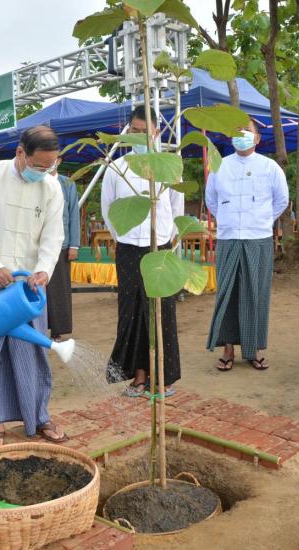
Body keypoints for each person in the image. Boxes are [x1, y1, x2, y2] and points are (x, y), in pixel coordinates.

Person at [0, 125, 66, 448]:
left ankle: (38, 415)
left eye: (49, 167)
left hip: (30, 287)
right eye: (38, 166)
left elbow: (54, 235)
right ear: (20, 153)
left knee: (33, 351)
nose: (43, 172)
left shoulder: (52, 188)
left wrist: (44, 270)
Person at [101, 105, 184, 397]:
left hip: (159, 247)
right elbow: (109, 210)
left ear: (156, 132)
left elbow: (176, 208)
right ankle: (138, 376)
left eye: (143, 131)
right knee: (131, 311)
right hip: (128, 249)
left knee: (162, 311)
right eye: (133, 131)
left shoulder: (169, 166)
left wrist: (167, 239)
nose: (138, 136)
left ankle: (163, 378)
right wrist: (123, 237)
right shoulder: (117, 168)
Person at [205, 118, 289, 372]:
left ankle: (254, 350)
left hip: (258, 239)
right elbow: (211, 200)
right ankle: (228, 349)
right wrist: (228, 220)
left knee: (256, 293)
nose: (241, 134)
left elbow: (281, 200)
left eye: (247, 131)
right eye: (237, 130)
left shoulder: (270, 167)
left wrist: (261, 220)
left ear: (257, 138)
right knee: (227, 293)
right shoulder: (219, 166)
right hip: (229, 237)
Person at [46, 165, 80, 341]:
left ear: (58, 160)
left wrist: (74, 245)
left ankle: (57, 330)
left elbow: (73, 213)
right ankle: (37, 328)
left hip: (62, 244)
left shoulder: (67, 184)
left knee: (59, 288)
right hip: (38, 244)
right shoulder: (36, 180)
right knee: (37, 287)